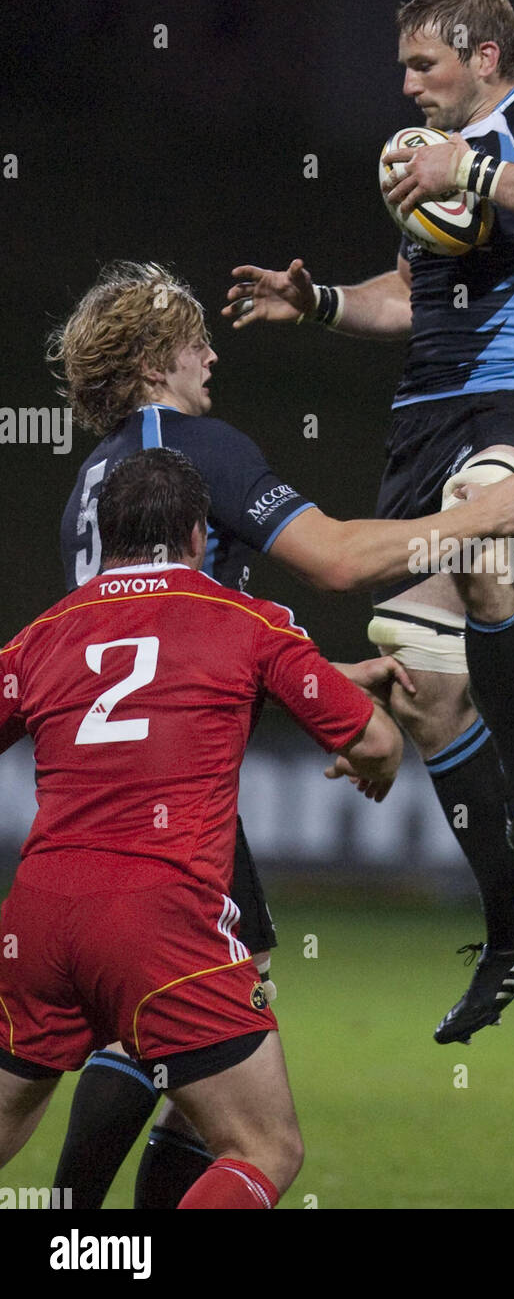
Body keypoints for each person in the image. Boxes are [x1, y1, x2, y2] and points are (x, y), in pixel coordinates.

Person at [49, 258, 514, 1208]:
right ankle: (85, 1235)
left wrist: (316, 679)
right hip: (172, 793)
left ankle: (86, 1231)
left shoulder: (96, 477)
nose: (210, 352)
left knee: (174, 1013)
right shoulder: (189, 449)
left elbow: (162, 644)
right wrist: (475, 517)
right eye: (193, 339)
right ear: (154, 363)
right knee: (210, 1036)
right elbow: (337, 558)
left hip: (103, 782)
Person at [223, 0, 514, 1044]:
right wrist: (313, 301)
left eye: (424, 64)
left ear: (483, 57)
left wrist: (477, 167)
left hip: (509, 397)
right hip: (420, 414)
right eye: (402, 66)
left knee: (482, 528)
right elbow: (410, 297)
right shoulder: (421, 161)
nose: (407, 86)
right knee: (417, 673)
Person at [0, 449, 404, 1209]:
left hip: (36, 916)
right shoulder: (246, 621)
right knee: (263, 1147)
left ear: (104, 531)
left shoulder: (42, 634)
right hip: (163, 916)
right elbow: (375, 741)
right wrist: (373, 760)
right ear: (196, 533)